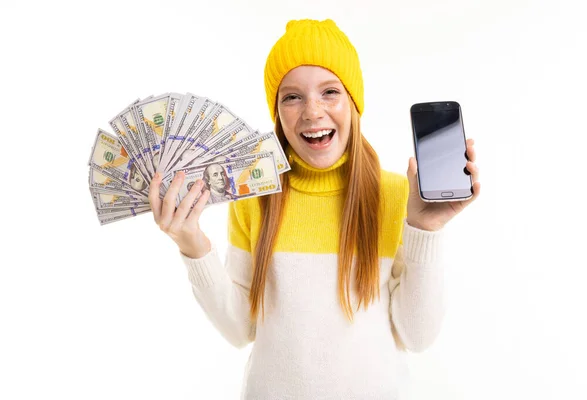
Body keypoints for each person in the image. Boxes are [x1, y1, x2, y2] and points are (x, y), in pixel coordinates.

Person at [149, 18, 480, 400]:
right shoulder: (255, 198)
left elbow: (417, 335)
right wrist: (192, 245)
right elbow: (239, 329)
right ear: (277, 114)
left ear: (354, 103)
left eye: (329, 92)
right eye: (292, 97)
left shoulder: (396, 195)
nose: (312, 111)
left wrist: (424, 229)